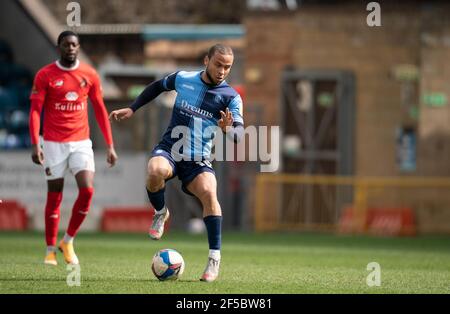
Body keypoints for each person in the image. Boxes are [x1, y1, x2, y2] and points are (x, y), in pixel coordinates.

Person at [109, 44, 244, 282]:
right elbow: (157, 87)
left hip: (198, 159)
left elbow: (240, 135)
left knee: (210, 193)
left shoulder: (231, 97)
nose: (222, 70)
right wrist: (132, 108)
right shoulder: (183, 78)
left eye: (227, 67)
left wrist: (229, 130)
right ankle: (161, 212)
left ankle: (214, 259)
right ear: (206, 60)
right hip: (171, 149)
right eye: (218, 64)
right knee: (154, 170)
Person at [29, 31, 117, 266]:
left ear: (78, 47)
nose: (71, 48)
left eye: (74, 45)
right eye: (66, 44)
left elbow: (99, 109)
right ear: (59, 46)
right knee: (55, 196)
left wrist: (110, 145)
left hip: (80, 142)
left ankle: (67, 241)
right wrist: (35, 143)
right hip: (53, 143)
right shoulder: (45, 75)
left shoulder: (89, 74)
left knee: (87, 191)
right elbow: (36, 111)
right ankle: (50, 249)